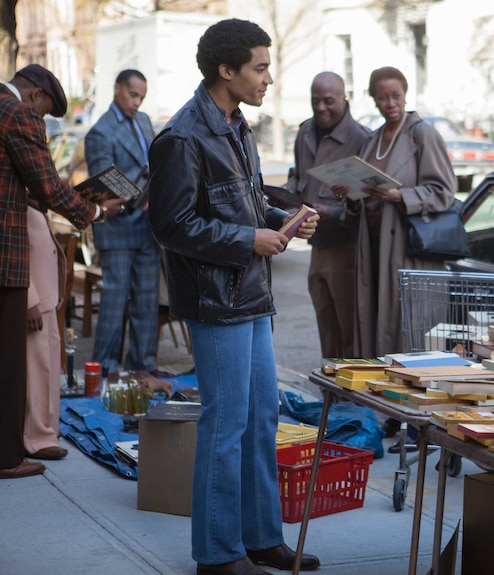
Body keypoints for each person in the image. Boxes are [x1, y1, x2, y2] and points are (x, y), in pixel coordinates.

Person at [147, 19, 321, 574]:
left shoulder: (236, 125)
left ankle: (260, 537)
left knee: (260, 419)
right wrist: (251, 238)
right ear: (227, 70)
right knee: (225, 427)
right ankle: (217, 557)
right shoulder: (180, 137)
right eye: (260, 67)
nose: (268, 78)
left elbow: (238, 206)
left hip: (251, 297)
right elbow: (172, 226)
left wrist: (282, 221)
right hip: (216, 302)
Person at [1, 64, 122, 479]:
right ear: (34, 96)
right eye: (45, 113)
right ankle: (12, 453)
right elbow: (47, 183)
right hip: (8, 258)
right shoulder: (17, 115)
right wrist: (93, 211)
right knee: (13, 364)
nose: (43, 124)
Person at [350, 66, 458, 450]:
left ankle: (416, 425)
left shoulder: (421, 133)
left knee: (409, 335)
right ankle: (390, 414)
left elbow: (445, 191)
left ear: (406, 94)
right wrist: (348, 187)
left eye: (395, 95)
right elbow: (365, 187)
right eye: (382, 97)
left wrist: (402, 197)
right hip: (377, 251)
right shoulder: (374, 138)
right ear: (373, 98)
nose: (389, 103)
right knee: (382, 331)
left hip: (412, 254)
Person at [85, 69, 164, 376]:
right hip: (118, 227)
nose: (137, 102)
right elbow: (105, 183)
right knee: (114, 304)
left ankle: (143, 366)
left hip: (147, 226)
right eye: (133, 95)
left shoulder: (144, 121)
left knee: (147, 301)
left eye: (141, 97)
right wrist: (137, 193)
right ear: (116, 89)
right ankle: (103, 369)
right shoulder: (100, 132)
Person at [287, 72, 370, 358]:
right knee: (324, 320)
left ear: (345, 98)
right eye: (315, 100)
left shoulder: (361, 139)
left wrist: (332, 212)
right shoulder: (306, 131)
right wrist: (282, 199)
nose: (321, 107)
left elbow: (365, 201)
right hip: (314, 243)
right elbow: (297, 178)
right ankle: (330, 390)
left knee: (347, 325)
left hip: (346, 247)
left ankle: (347, 394)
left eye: (328, 101)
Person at [24, 202, 68, 461]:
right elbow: (10, 246)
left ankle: (49, 427)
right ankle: (36, 437)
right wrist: (29, 299)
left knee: (49, 363)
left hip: (47, 292)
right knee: (36, 366)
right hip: (33, 295)